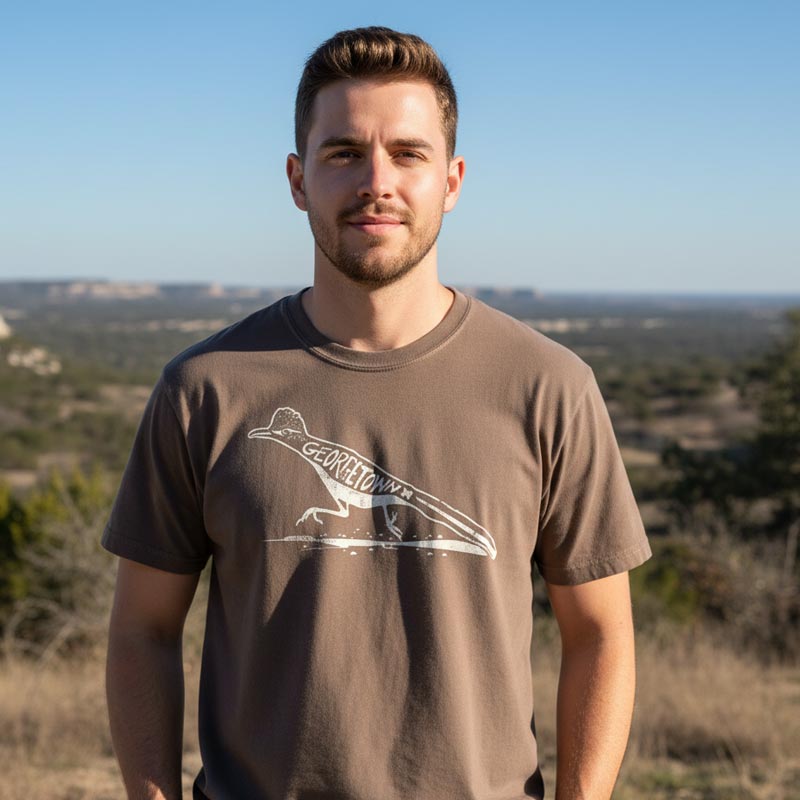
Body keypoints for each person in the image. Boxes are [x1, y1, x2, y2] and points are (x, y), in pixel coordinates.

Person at [103, 26, 652, 800]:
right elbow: (142, 631)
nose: (376, 181)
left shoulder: (548, 386)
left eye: (407, 153)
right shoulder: (204, 389)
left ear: (452, 180)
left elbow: (599, 633)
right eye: (343, 153)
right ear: (298, 179)